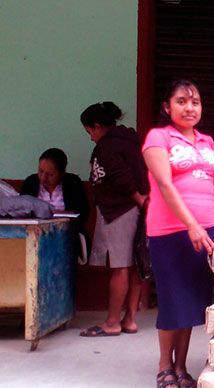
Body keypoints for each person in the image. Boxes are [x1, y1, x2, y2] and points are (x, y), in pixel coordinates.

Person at [142, 79, 214, 388]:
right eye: (181, 101)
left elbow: (211, 187)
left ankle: (181, 367)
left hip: (207, 232)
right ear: (167, 107)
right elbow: (164, 185)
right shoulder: (157, 138)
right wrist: (191, 224)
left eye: (195, 102)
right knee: (173, 300)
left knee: (191, 302)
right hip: (171, 231)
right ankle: (164, 367)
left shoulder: (208, 142)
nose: (189, 107)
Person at [79, 102, 149, 338]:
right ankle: (129, 319)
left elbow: (120, 175)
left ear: (98, 126)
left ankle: (111, 322)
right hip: (137, 209)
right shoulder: (131, 141)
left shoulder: (108, 146)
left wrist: (138, 198)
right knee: (135, 265)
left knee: (119, 268)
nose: (91, 138)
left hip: (120, 210)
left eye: (90, 132)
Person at [20, 147, 89, 231]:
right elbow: (21, 211)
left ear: (62, 173)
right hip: (35, 233)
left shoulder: (73, 183)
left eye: (50, 174)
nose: (43, 178)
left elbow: (83, 213)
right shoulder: (30, 183)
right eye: (41, 171)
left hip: (67, 234)